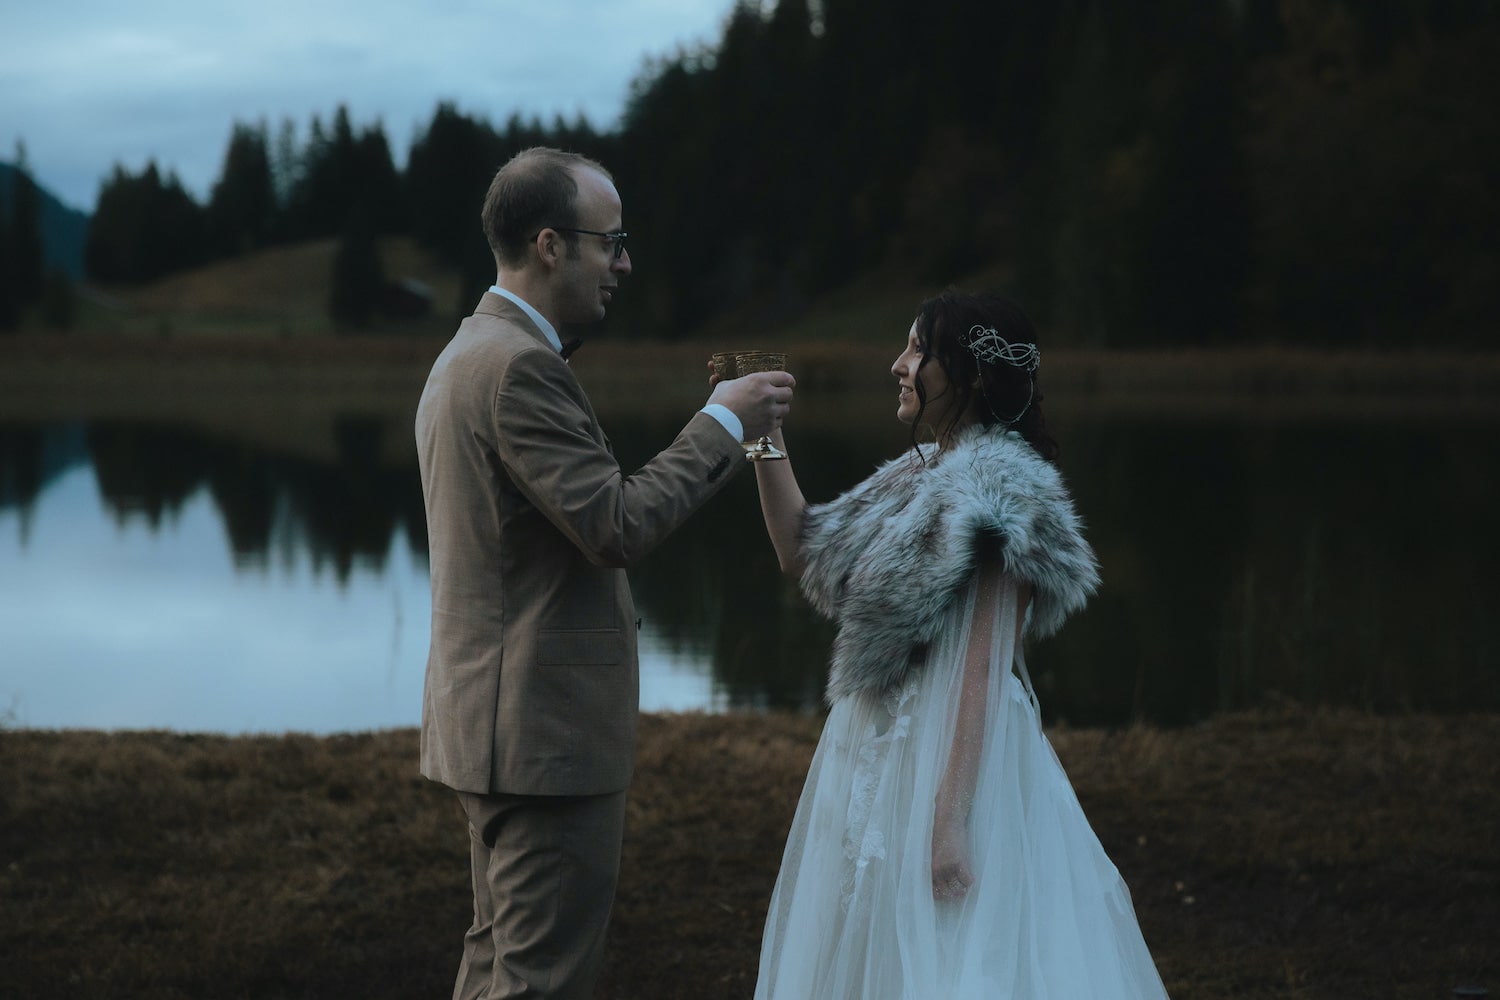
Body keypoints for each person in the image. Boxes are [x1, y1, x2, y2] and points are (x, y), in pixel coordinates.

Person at [414, 146, 793, 1000]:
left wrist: (745, 430)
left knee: (498, 966)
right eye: (610, 242)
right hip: (542, 740)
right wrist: (721, 422)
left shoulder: (469, 351)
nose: (624, 263)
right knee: (541, 982)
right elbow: (616, 525)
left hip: (497, 731)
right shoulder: (520, 368)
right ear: (551, 246)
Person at [747, 289, 1170, 997]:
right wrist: (761, 435)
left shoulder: (1001, 484)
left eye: (919, 351)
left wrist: (949, 823)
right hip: (882, 744)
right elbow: (800, 549)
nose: (898, 365)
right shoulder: (918, 471)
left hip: (958, 757)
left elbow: (982, 664)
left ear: (969, 374)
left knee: (954, 949)